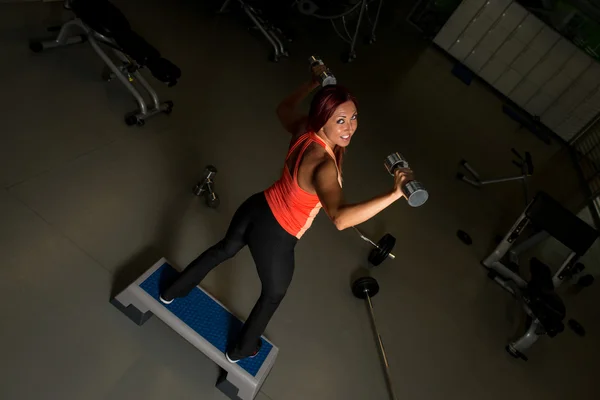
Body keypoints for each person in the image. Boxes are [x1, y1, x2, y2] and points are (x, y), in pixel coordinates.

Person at [159, 66, 413, 363]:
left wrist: (310, 83)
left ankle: (172, 291)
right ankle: (239, 350)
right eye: (340, 121)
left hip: (257, 207)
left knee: (224, 249)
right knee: (273, 294)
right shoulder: (324, 165)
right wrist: (395, 193)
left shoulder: (305, 127)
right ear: (324, 120)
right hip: (278, 236)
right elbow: (341, 219)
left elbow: (283, 108)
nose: (349, 127)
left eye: (353, 117)